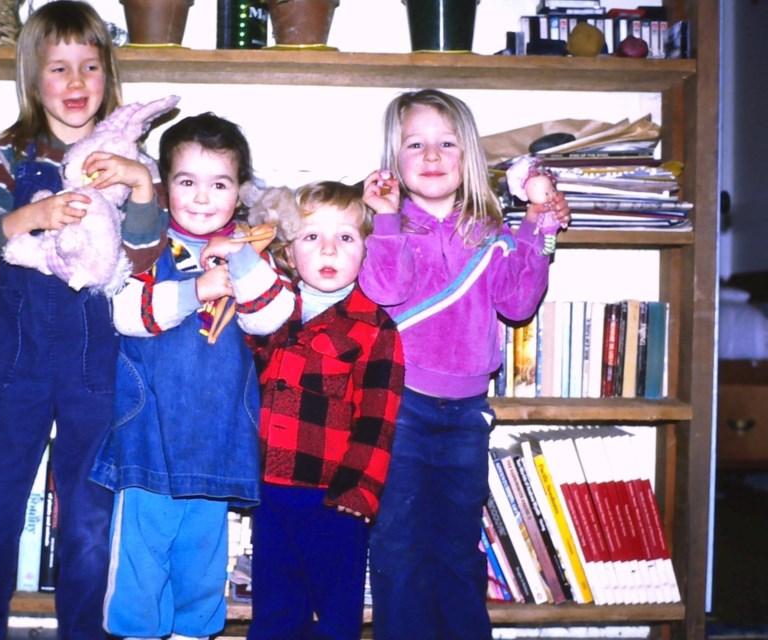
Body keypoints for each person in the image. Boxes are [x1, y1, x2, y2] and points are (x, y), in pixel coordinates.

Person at [0, 2, 161, 638]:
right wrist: (31, 217)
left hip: (97, 366)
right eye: (60, 68)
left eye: (90, 67)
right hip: (17, 364)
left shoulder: (127, 159)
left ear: (108, 76)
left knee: (88, 519)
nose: (76, 83)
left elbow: (146, 256)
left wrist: (143, 190)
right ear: (33, 78)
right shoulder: (8, 156)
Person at [359, 89, 571, 640]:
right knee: (398, 542)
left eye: (446, 143)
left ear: (468, 156)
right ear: (394, 159)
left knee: (457, 545)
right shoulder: (388, 227)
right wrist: (384, 222)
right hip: (400, 408)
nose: (431, 155)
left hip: (467, 413)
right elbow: (384, 288)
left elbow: (518, 303)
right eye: (416, 144)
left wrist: (538, 229)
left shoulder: (491, 233)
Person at [89, 112, 296, 640]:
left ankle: (193, 633)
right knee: (141, 559)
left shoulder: (252, 251)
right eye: (187, 182)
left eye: (219, 184)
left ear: (240, 191)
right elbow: (125, 314)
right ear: (163, 186)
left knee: (203, 562)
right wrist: (193, 291)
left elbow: (273, 316)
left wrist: (243, 262)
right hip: (149, 434)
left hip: (218, 437)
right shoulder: (147, 244)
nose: (202, 198)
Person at [205, 181, 405, 640]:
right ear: (290, 255)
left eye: (347, 238)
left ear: (366, 252)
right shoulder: (271, 312)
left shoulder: (375, 328)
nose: (329, 249)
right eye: (312, 237)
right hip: (271, 492)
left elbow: (379, 418)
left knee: (337, 614)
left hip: (333, 497)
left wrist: (358, 492)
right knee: (275, 607)